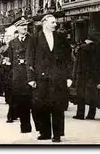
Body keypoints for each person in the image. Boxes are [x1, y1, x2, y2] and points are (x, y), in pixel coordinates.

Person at [27, 14, 72, 143]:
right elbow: (30, 59)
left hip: (58, 77)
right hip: (41, 78)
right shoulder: (35, 38)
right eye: (52, 22)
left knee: (57, 106)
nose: (55, 24)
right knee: (41, 105)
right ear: (44, 22)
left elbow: (67, 59)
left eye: (55, 22)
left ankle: (57, 134)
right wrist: (31, 78)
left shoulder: (60, 38)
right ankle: (44, 132)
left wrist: (68, 76)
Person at [9, 17, 34, 133]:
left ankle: (41, 127)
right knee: (21, 101)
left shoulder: (32, 40)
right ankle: (25, 127)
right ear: (17, 28)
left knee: (33, 102)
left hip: (30, 75)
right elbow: (10, 59)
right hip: (18, 76)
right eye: (22, 26)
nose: (24, 28)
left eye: (26, 26)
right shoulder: (12, 43)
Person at [72, 33, 99, 120]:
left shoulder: (82, 48)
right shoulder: (97, 48)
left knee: (80, 94)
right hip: (93, 74)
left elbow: (77, 62)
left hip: (82, 73)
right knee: (92, 94)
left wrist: (74, 74)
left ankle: (80, 114)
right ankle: (91, 114)